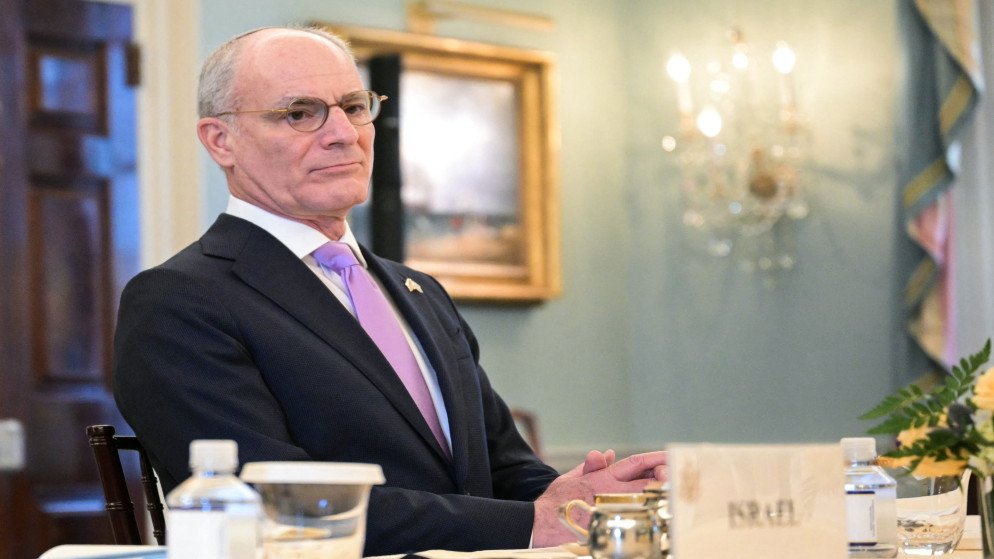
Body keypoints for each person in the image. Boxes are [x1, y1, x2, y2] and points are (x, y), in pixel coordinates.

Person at [112, 25, 666, 555]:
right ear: (221, 141)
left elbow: (501, 468)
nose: (343, 134)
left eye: (354, 107)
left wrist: (583, 498)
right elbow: (273, 508)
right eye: (299, 113)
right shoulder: (178, 301)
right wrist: (532, 523)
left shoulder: (418, 291)